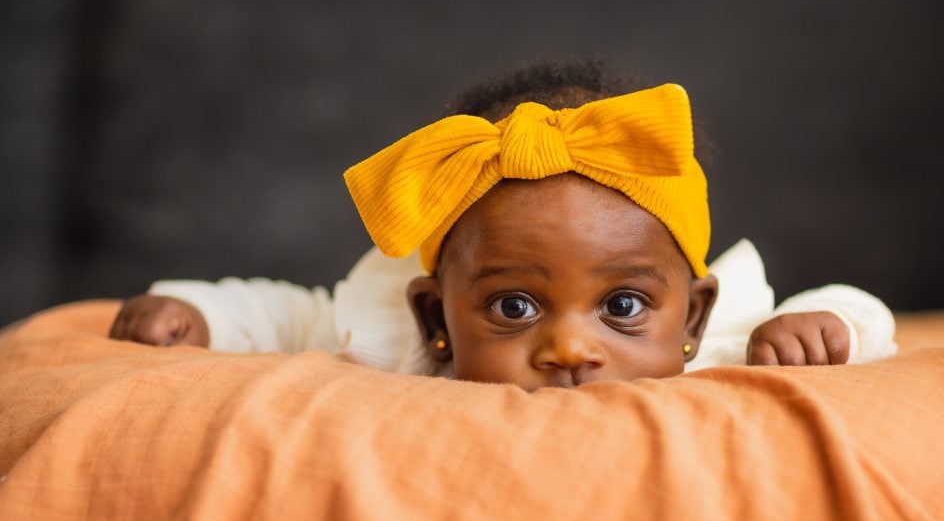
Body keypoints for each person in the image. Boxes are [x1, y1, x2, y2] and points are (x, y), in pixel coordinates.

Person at [110, 61, 896, 389]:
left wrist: (821, 322)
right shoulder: (398, 342)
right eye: (513, 306)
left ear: (692, 312)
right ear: (436, 316)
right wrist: (200, 312)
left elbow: (858, 311)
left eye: (623, 305)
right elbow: (287, 313)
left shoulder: (728, 346)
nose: (570, 351)